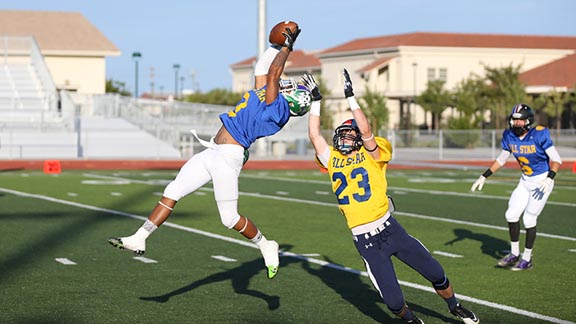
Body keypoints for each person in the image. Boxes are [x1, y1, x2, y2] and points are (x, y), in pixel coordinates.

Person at [108, 25, 312, 280]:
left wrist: (287, 46)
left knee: (229, 218)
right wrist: (275, 45)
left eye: (291, 90)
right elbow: (263, 68)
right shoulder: (269, 96)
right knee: (172, 191)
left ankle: (265, 244)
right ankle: (140, 237)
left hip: (228, 157)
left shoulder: (277, 109)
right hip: (213, 151)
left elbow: (273, 74)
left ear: (291, 102)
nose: (287, 86)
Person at [304, 70, 480, 324]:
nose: (343, 138)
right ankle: (410, 320)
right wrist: (316, 101)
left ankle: (455, 306)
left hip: (390, 230)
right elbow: (314, 135)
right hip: (366, 241)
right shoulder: (332, 160)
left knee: (436, 272)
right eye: (341, 134)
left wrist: (351, 97)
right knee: (394, 303)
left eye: (349, 134)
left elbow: (365, 130)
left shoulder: (372, 154)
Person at [471, 103, 562, 271]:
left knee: (529, 218)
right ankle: (514, 253)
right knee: (511, 214)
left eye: (520, 121)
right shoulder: (509, 136)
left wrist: (550, 179)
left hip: (541, 182)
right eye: (514, 120)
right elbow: (501, 159)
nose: (516, 123)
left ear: (528, 121)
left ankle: (527, 259)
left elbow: (557, 160)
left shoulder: (540, 134)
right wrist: (484, 175)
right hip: (525, 180)